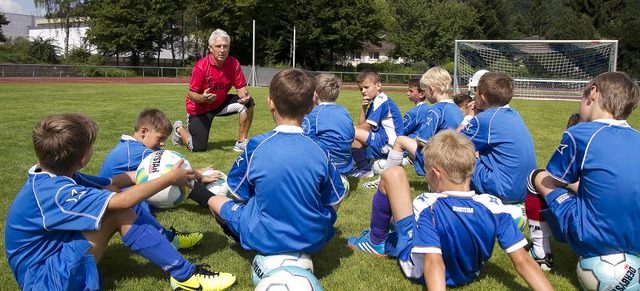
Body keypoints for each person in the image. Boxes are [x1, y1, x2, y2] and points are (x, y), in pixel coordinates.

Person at [5, 113, 236, 291]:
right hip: (44, 281)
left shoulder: (53, 175)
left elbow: (113, 181)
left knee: (112, 191)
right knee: (119, 210)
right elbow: (123, 200)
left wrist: (162, 172)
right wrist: (168, 178)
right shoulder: (56, 193)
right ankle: (186, 276)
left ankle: (167, 241)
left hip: (47, 261)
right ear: (83, 158)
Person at [347, 130, 552, 289]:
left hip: (419, 270)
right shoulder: (493, 205)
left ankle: (376, 241)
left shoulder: (426, 204)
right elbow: (523, 261)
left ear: (435, 174)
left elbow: (434, 264)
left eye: (426, 171)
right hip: (470, 272)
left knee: (393, 174)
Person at [203, 68, 346, 255]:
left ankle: (242, 238)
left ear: (270, 103)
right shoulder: (321, 149)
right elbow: (335, 197)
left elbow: (239, 193)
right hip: (313, 238)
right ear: (311, 107)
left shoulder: (256, 146)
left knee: (215, 200)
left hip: (263, 235)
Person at [527, 72, 640, 266]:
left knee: (538, 176)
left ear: (593, 93)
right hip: (636, 242)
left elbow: (555, 181)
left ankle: (540, 255)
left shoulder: (580, 133)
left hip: (592, 239)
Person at [98, 108, 207, 250]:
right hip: (109, 201)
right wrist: (202, 178)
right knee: (145, 197)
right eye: (160, 138)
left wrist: (197, 172)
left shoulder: (130, 146)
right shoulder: (140, 152)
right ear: (144, 132)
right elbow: (174, 170)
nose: (162, 144)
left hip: (109, 195)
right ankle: (168, 239)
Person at [458, 72, 537, 206]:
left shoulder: (486, 119)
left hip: (502, 189)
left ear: (482, 98)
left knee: (454, 155)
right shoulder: (514, 115)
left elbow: (452, 143)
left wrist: (469, 117)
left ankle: (455, 204)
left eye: (475, 92)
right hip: (525, 190)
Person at [372, 67, 462, 183]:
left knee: (400, 140)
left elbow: (424, 141)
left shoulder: (436, 110)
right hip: (455, 158)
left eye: (425, 89)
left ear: (431, 89)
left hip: (439, 158)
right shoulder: (456, 109)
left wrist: (416, 139)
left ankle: (385, 180)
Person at [173, 28, 255, 153]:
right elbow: (191, 94)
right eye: (218, 46)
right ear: (211, 48)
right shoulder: (201, 66)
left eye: (225, 46)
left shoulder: (234, 64)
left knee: (249, 103)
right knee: (197, 148)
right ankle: (178, 128)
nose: (222, 50)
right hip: (199, 108)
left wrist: (244, 96)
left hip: (219, 103)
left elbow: (240, 87)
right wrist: (202, 98)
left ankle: (241, 142)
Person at [350, 70, 404, 177]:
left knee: (350, 134)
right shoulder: (375, 102)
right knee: (354, 133)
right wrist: (363, 108)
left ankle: (365, 169)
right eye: (361, 89)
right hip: (384, 141)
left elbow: (367, 127)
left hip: (389, 145)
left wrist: (349, 130)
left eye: (366, 87)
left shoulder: (381, 100)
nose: (363, 91)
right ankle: (367, 163)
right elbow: (363, 124)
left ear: (378, 85)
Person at [302, 73, 356, 176]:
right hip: (346, 164)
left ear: (315, 94)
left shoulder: (314, 113)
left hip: (328, 166)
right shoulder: (344, 111)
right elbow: (352, 134)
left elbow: (303, 138)